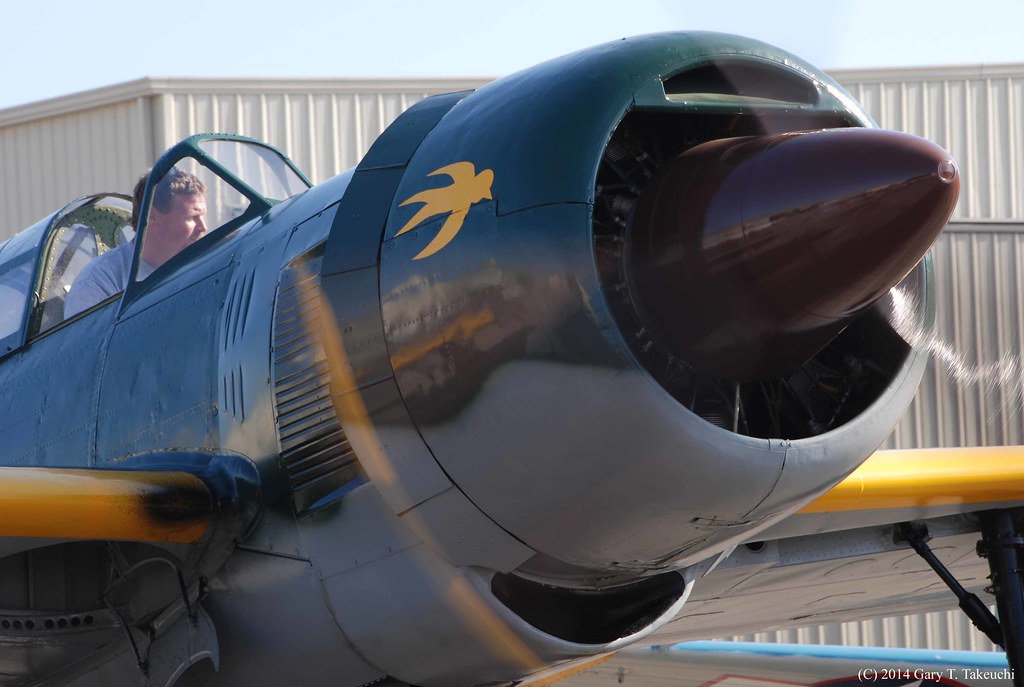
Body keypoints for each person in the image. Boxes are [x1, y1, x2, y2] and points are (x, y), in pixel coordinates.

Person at [64, 169, 207, 318]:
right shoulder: (99, 282)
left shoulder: (203, 270)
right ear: (152, 216)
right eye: (193, 217)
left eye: (202, 216)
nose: (203, 227)